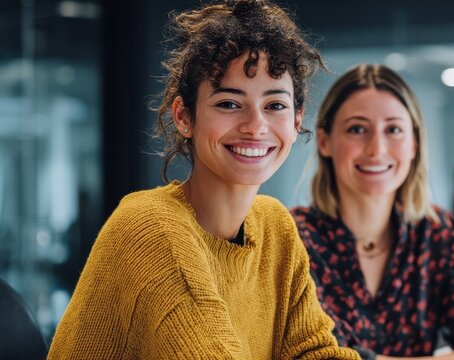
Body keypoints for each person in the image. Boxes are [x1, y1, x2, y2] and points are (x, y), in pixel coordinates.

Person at [47, 1, 359, 359]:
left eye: (275, 106)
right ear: (184, 116)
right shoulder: (151, 227)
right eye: (228, 103)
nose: (255, 126)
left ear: (296, 120)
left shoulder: (274, 228)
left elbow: (315, 353)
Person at [291, 64, 454, 359]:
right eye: (357, 129)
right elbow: (323, 355)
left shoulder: (434, 231)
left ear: (414, 144)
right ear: (325, 141)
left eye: (394, 130)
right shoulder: (294, 236)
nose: (377, 148)